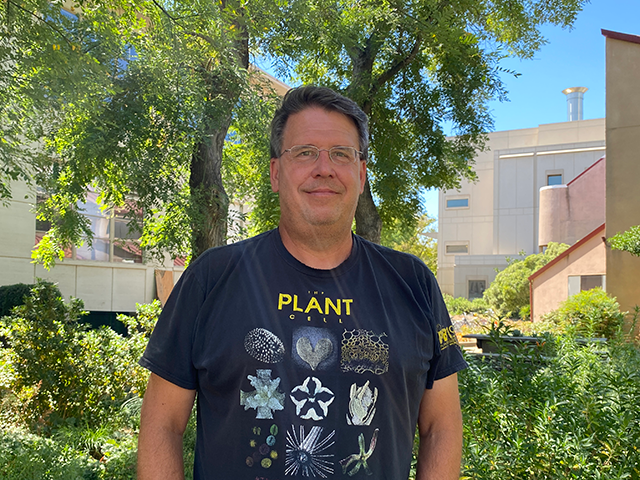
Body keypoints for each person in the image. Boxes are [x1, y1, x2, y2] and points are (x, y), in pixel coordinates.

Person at [137, 86, 467, 480]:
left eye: (341, 154)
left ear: (361, 175)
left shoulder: (414, 284)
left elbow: (441, 426)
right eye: (305, 152)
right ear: (276, 173)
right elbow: (162, 423)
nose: (323, 168)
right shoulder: (211, 278)